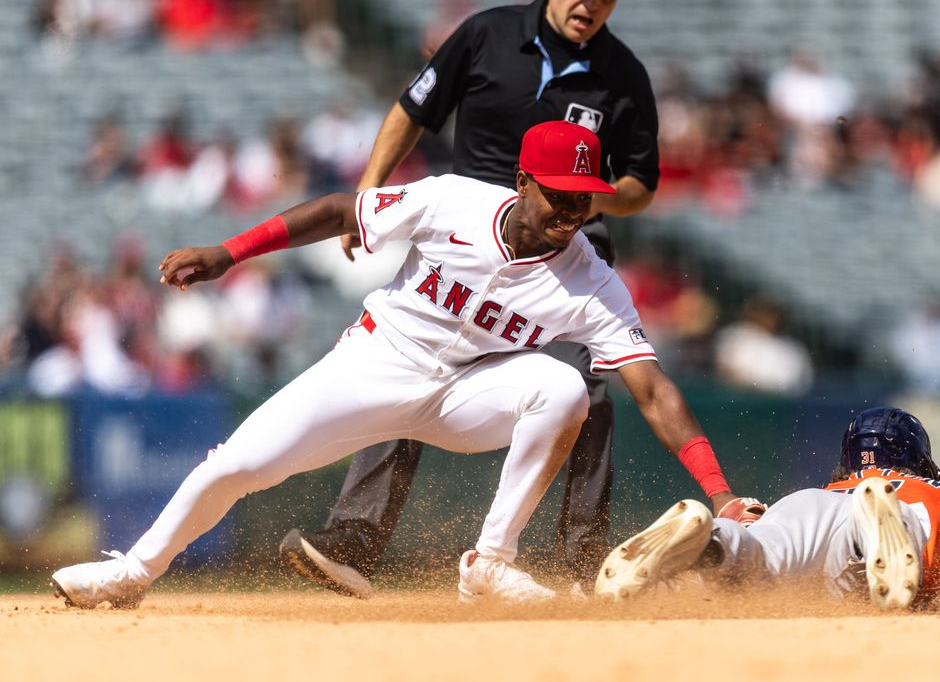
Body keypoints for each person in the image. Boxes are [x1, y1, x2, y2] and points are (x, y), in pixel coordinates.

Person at [50, 121, 757, 610]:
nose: (571, 211)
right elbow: (337, 211)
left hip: (463, 396)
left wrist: (721, 493)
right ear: (521, 181)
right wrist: (229, 254)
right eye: (558, 194)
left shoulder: (591, 280)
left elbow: (656, 392)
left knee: (564, 388)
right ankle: (133, 573)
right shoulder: (453, 200)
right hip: (374, 363)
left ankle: (489, 564)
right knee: (237, 466)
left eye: (585, 199)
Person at [278, 0, 661, 597]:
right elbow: (411, 111)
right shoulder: (486, 35)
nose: (591, 2)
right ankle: (354, 543)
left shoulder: (622, 75)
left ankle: (583, 566)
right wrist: (368, 193)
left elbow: (641, 182)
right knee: (408, 367)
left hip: (561, 253)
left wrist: (592, 205)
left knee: (586, 389)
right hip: (466, 238)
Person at [596, 406, 940, 608]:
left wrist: (738, 518)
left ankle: (709, 541)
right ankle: (876, 532)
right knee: (870, 592)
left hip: (804, 508)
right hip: (903, 519)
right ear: (919, 457)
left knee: (752, 559)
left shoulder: (825, 488)